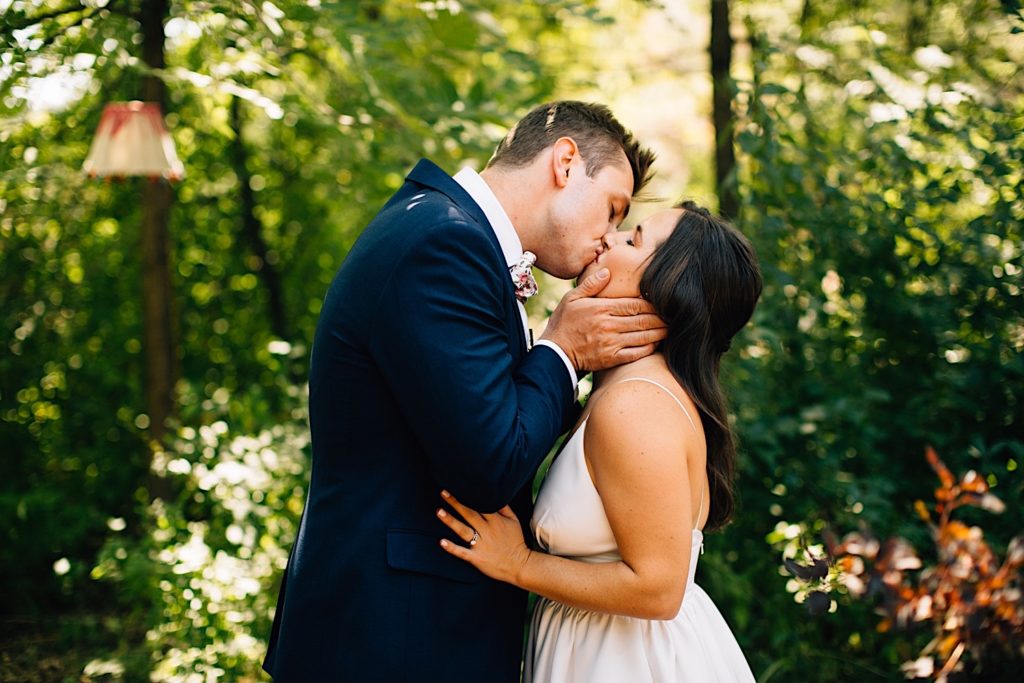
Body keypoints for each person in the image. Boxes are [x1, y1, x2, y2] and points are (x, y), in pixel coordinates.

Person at [263, 101, 662, 682]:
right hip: (388, 641)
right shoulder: (443, 243)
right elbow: (488, 464)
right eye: (612, 209)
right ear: (566, 162)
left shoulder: (445, 230)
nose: (608, 239)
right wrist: (564, 351)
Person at [437, 201, 762, 682]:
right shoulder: (619, 386)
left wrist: (520, 564)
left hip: (628, 662)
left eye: (633, 240)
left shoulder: (634, 404)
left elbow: (658, 589)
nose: (609, 238)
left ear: (670, 291)